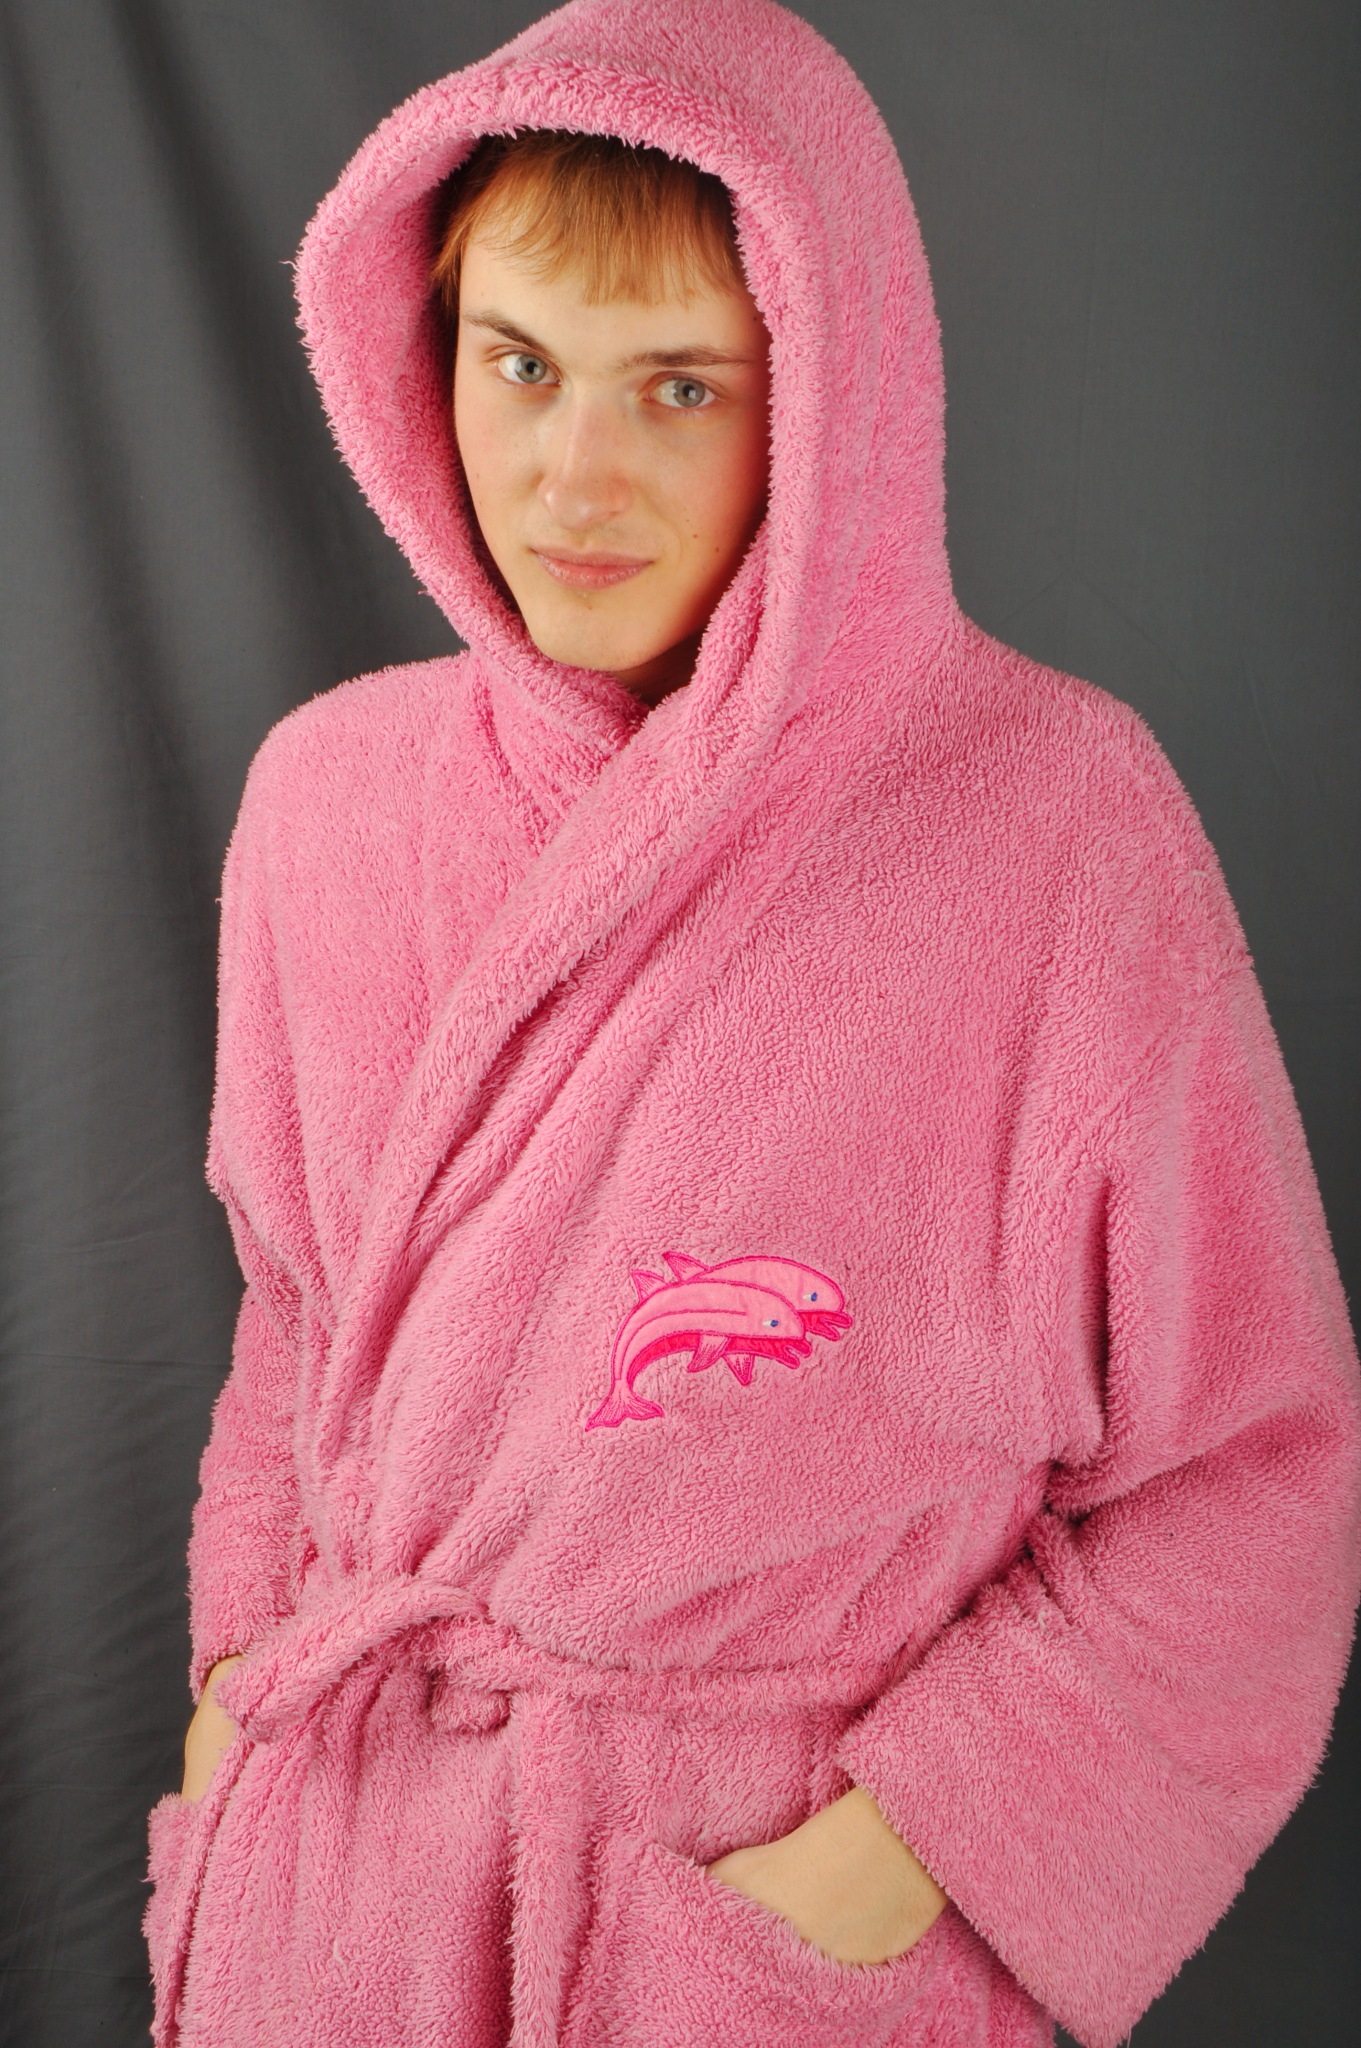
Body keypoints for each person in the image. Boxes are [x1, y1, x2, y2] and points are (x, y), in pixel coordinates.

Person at [143, 3, 1361, 2046]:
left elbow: (1252, 1462)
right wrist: (228, 1696)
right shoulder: (326, 802)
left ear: (830, 402)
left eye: (681, 387)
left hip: (741, 1908)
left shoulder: (1050, 825)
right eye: (519, 364)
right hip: (340, 1894)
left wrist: (896, 1855)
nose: (574, 475)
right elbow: (299, 1319)